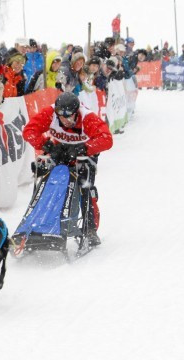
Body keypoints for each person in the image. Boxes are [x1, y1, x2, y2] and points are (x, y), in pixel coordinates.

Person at [22, 92, 113, 249]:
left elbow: (106, 139)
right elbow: (29, 131)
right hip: (61, 151)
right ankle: (40, 225)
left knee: (85, 188)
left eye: (69, 117)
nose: (65, 120)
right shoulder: (51, 113)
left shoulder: (87, 117)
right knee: (49, 186)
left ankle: (89, 229)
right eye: (61, 116)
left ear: (76, 112)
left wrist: (85, 148)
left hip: (84, 154)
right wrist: (44, 144)